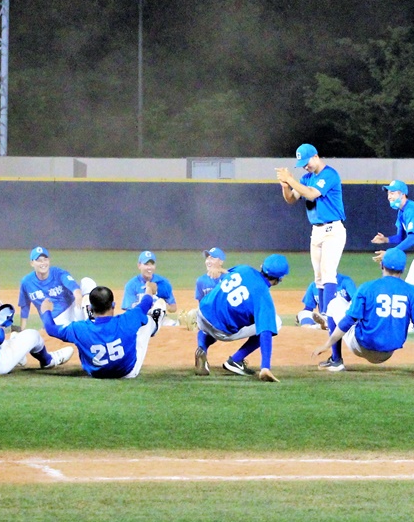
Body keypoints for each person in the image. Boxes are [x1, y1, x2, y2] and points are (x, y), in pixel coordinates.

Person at [311, 248, 414, 376]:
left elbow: (348, 321)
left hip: (361, 346)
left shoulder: (367, 287)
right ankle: (330, 327)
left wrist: (326, 345)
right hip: (387, 353)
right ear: (403, 270)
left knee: (335, 303)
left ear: (382, 265)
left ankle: (335, 360)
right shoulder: (413, 291)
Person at [276, 143, 346, 370]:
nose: (304, 166)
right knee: (318, 279)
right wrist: (285, 185)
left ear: (316, 156)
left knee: (328, 273)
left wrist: (292, 179)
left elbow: (311, 194)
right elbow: (291, 199)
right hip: (316, 231)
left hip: (333, 230)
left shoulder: (330, 175)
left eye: (306, 161)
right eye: (302, 164)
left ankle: (327, 314)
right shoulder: (306, 177)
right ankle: (327, 321)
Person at [194, 254, 290, 382]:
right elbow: (265, 332)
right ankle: (235, 360)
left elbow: (227, 274)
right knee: (275, 322)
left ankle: (202, 347)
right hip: (221, 331)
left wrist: (219, 269)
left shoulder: (244, 269)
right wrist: (265, 367)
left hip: (202, 313)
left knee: (219, 311)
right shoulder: (263, 297)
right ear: (280, 279)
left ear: (262, 266)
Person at [40, 286, 157, 379]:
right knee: (150, 319)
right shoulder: (128, 319)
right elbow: (146, 303)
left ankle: (93, 318)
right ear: (113, 305)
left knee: (86, 328)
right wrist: (149, 289)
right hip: (127, 372)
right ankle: (156, 322)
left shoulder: (78, 328)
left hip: (96, 373)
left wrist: (46, 311)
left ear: (91, 308)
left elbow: (50, 329)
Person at [18, 246, 84, 328]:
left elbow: (71, 284)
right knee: (68, 329)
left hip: (75, 307)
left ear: (49, 260)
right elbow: (25, 306)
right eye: (39, 260)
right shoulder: (26, 282)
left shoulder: (57, 272)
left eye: (45, 259)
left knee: (86, 281)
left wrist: (77, 294)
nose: (43, 263)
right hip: (56, 318)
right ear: (32, 263)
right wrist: (21, 329)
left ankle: (92, 319)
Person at [122, 250, 178, 327]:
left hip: (160, 320)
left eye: (152, 264)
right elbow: (128, 310)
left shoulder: (163, 282)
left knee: (175, 326)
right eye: (146, 264)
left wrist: (164, 305)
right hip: (140, 320)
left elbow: (174, 308)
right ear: (139, 265)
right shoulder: (131, 284)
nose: (149, 267)